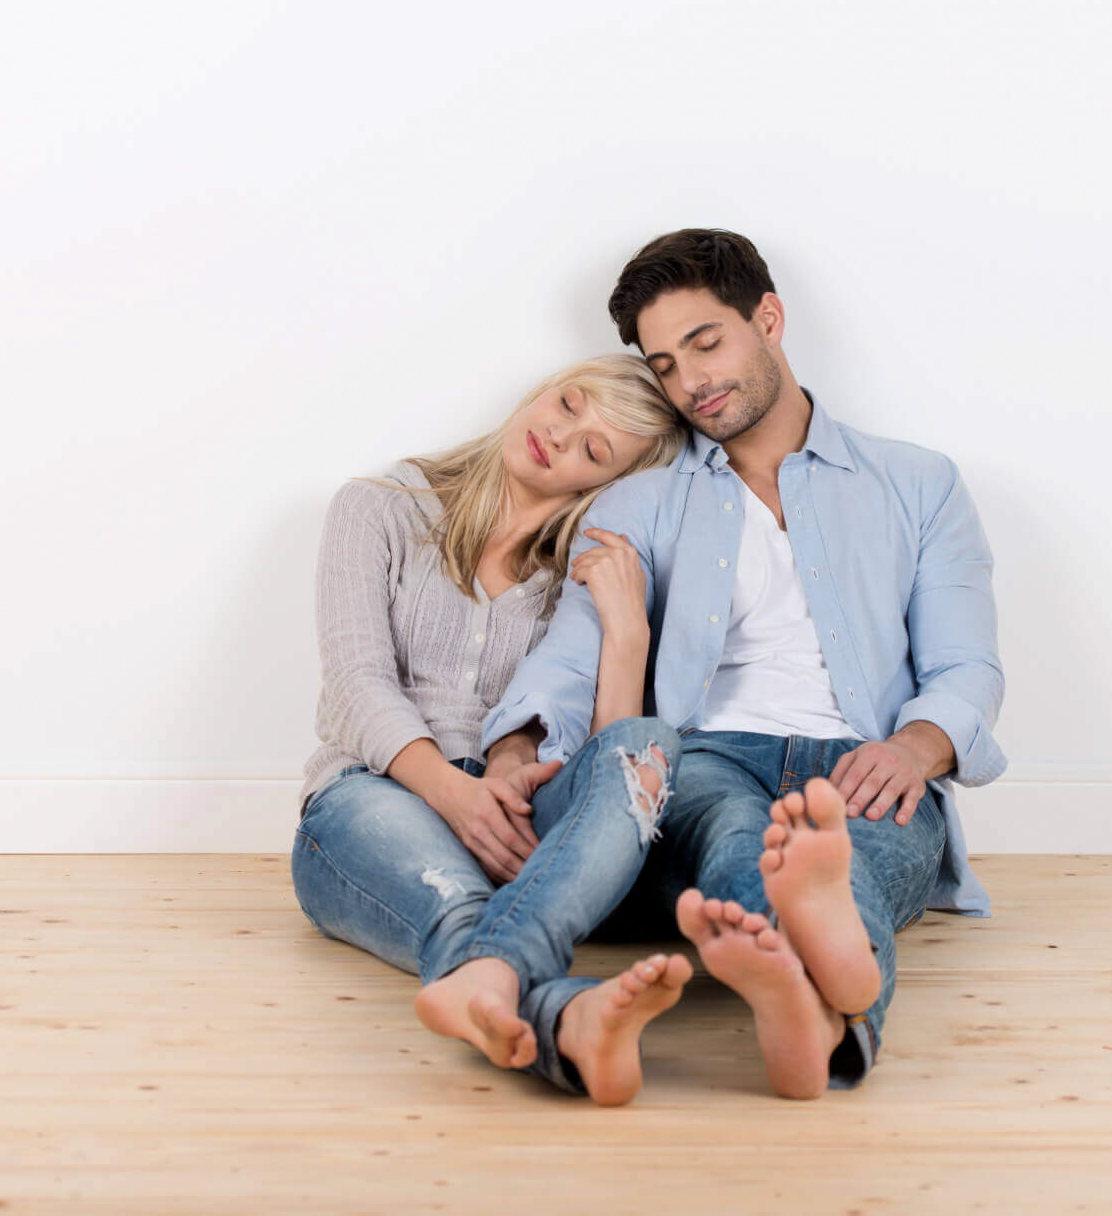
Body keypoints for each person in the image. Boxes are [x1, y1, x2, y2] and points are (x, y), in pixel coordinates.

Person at [481, 228, 1006, 1098]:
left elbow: (967, 667)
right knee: (740, 838)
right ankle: (825, 1019)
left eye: (705, 343)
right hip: (710, 755)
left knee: (857, 859)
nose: (690, 382)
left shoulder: (919, 484)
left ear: (768, 318)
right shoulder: (639, 500)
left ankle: (806, 1007)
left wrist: (914, 748)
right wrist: (513, 752)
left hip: (868, 759)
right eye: (663, 365)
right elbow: (571, 654)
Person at [292, 354, 698, 1104]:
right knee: (459, 907)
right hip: (371, 794)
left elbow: (611, 759)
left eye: (594, 451)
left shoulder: (579, 571)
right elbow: (355, 688)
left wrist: (627, 629)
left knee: (651, 747)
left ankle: (548, 1013)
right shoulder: (379, 507)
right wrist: (457, 795)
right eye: (571, 403)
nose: (560, 434)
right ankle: (566, 1014)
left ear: (603, 486)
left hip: (517, 813)